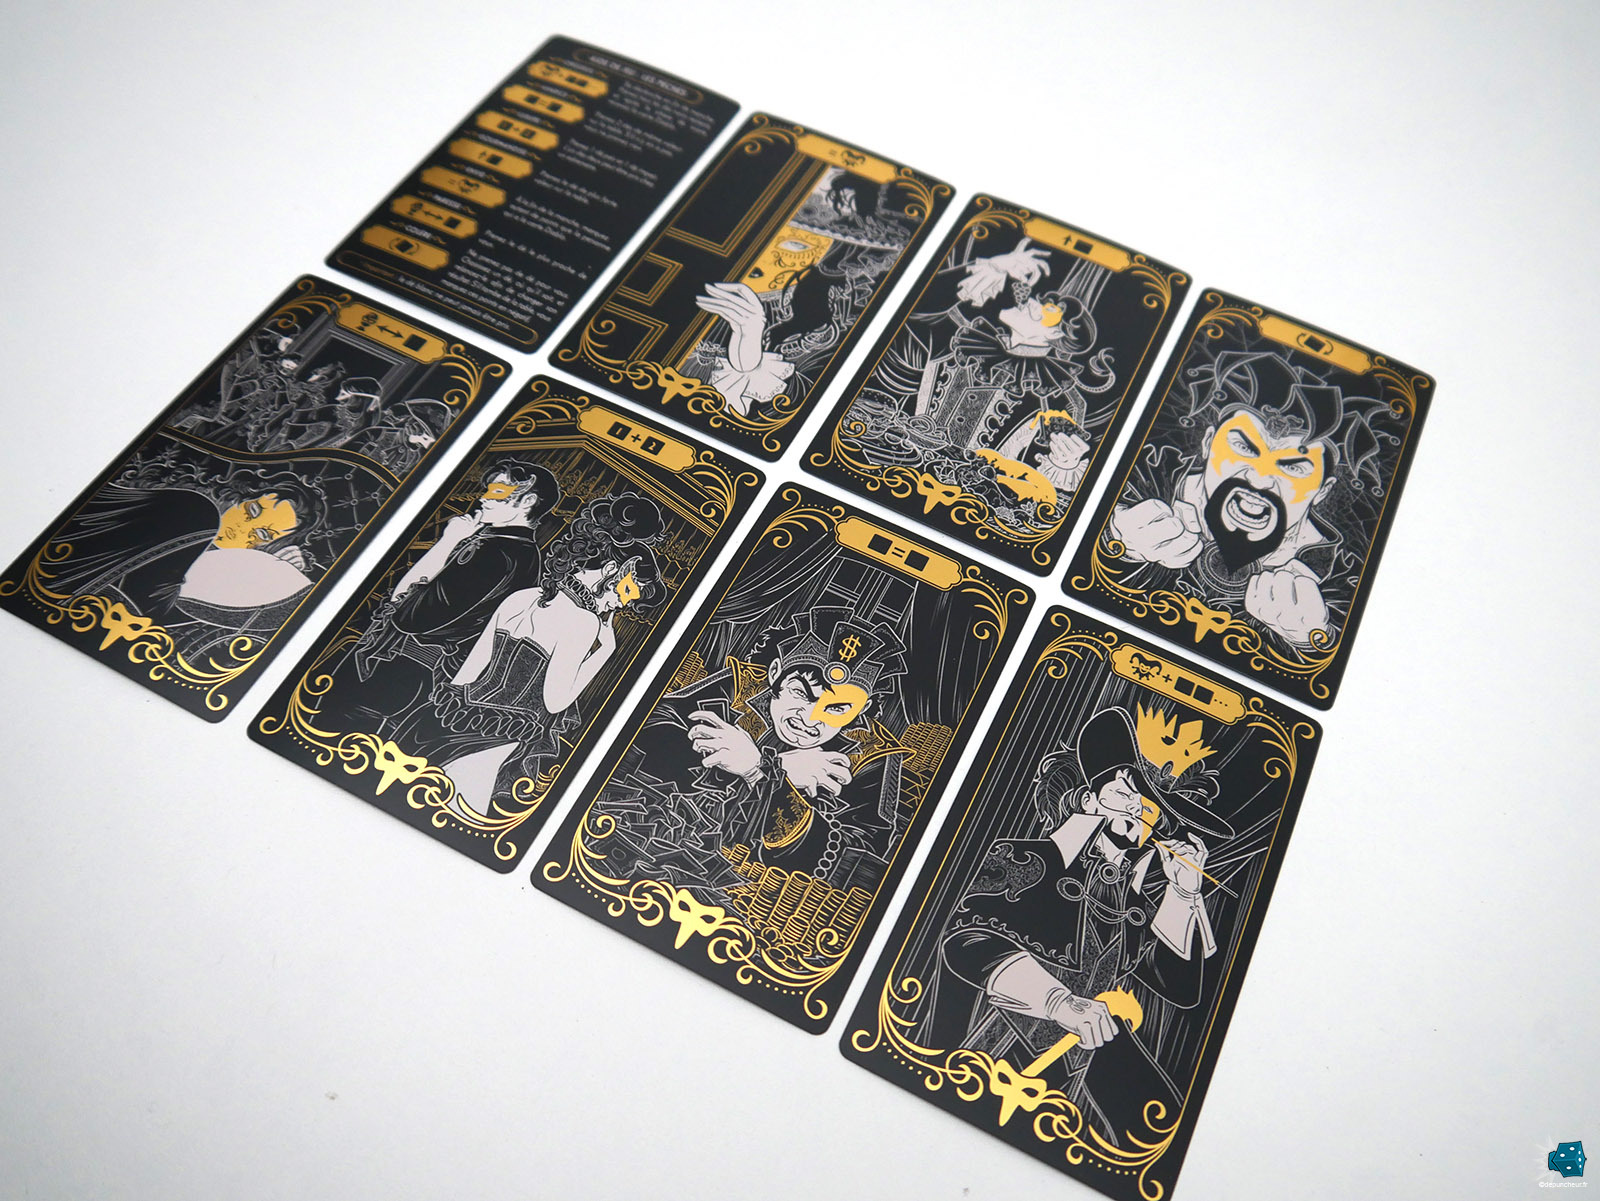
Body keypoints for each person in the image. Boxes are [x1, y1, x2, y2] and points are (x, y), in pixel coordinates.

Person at [929, 705, 1233, 1145]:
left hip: (1073, 1080)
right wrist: (1058, 1002)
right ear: (1088, 801)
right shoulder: (1025, 856)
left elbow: (1180, 989)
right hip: (989, 1052)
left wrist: (1184, 893)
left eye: (1152, 804)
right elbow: (966, 938)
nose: (1140, 808)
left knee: (1154, 1119)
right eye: (1126, 793)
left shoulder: (1134, 905)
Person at [405, 492, 668, 818]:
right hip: (499, 738)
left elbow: (465, 676)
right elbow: (555, 702)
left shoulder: (522, 597)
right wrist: (604, 652)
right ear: (612, 569)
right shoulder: (583, 622)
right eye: (627, 591)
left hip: (455, 720)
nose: (621, 603)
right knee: (459, 812)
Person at [613, 607, 911, 893]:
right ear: (775, 673)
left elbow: (860, 865)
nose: (810, 719)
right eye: (800, 693)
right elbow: (641, 731)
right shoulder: (740, 689)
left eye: (837, 708)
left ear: (863, 709)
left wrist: (762, 773)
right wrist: (769, 768)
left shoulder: (871, 756)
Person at [1105, 350, 1382, 647]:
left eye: (1292, 467)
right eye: (1245, 448)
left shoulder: (1342, 575)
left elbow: (1335, 651)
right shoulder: (1142, 478)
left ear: (1322, 491)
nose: (1259, 479)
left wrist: (1311, 637)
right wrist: (1116, 539)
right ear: (1208, 443)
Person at [337, 460, 557, 734]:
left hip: (401, 667)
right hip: (422, 672)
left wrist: (449, 540)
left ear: (528, 501)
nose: (484, 498)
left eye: (498, 492)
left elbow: (407, 611)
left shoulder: (495, 551)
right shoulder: (521, 551)